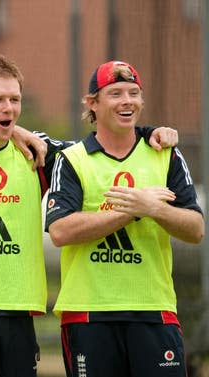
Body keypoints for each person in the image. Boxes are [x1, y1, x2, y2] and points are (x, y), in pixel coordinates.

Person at [0, 55, 180, 377]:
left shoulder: (39, 154)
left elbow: (103, 147)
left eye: (14, 100)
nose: (8, 107)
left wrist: (150, 133)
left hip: (19, 312)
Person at [45, 60, 203, 377]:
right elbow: (60, 230)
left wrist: (156, 209)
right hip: (89, 315)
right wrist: (130, 210)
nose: (127, 100)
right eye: (115, 93)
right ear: (93, 103)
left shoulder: (165, 153)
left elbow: (196, 229)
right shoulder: (72, 160)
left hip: (153, 311)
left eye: (134, 93)